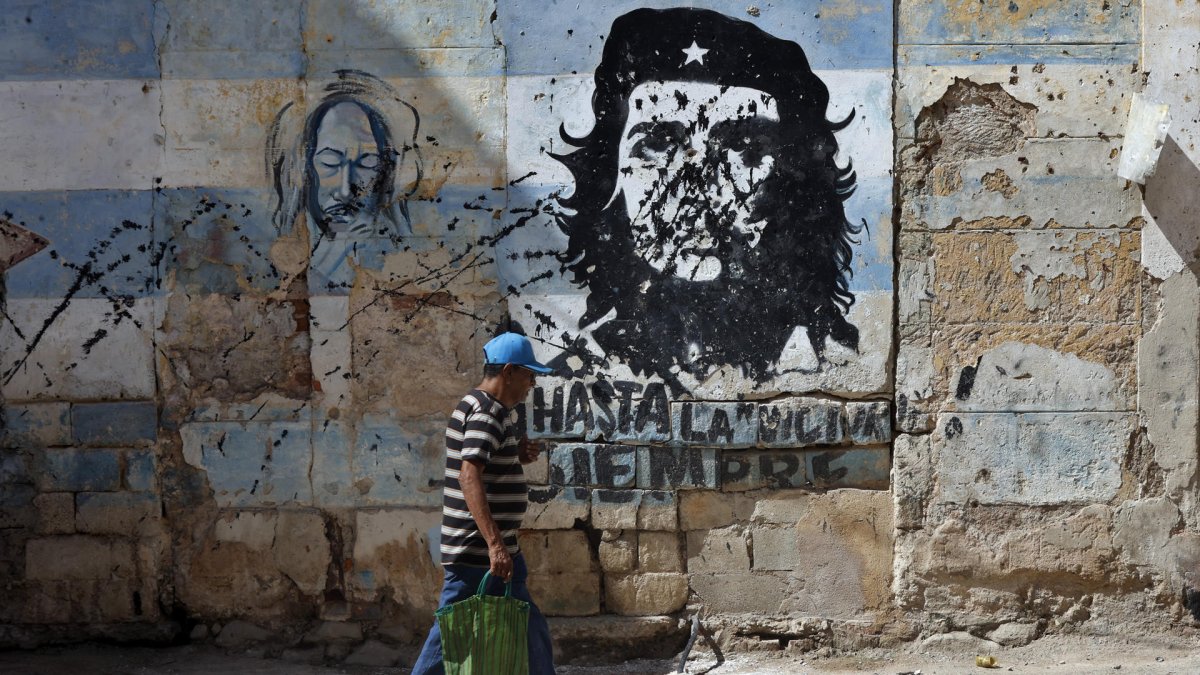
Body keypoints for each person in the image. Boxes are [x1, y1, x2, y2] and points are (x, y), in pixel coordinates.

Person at [551, 7, 862, 389]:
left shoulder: (830, 368)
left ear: (791, 180)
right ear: (611, 177)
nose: (698, 190)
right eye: (657, 144)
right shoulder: (583, 368)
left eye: (745, 148)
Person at [412, 332, 557, 675]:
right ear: (508, 371)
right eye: (528, 375)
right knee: (448, 637)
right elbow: (469, 476)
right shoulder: (486, 413)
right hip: (478, 553)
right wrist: (495, 545)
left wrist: (514, 455)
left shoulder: (479, 406)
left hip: (493, 551)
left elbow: (481, 463)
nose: (531, 384)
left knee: (530, 629)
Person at [265, 69, 422, 292]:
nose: (347, 189)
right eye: (329, 162)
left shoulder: (392, 248)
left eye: (367, 163)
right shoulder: (282, 256)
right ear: (302, 167)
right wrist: (335, 248)